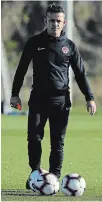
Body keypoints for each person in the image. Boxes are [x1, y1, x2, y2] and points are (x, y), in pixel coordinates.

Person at [10, 3, 96, 188]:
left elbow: (80, 74)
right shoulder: (34, 42)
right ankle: (35, 174)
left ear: (64, 23)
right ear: (45, 21)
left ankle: (54, 178)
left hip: (61, 101)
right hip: (38, 100)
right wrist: (15, 94)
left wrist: (89, 97)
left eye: (58, 21)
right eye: (51, 20)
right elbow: (21, 69)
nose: (55, 24)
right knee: (34, 137)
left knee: (58, 142)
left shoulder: (70, 47)